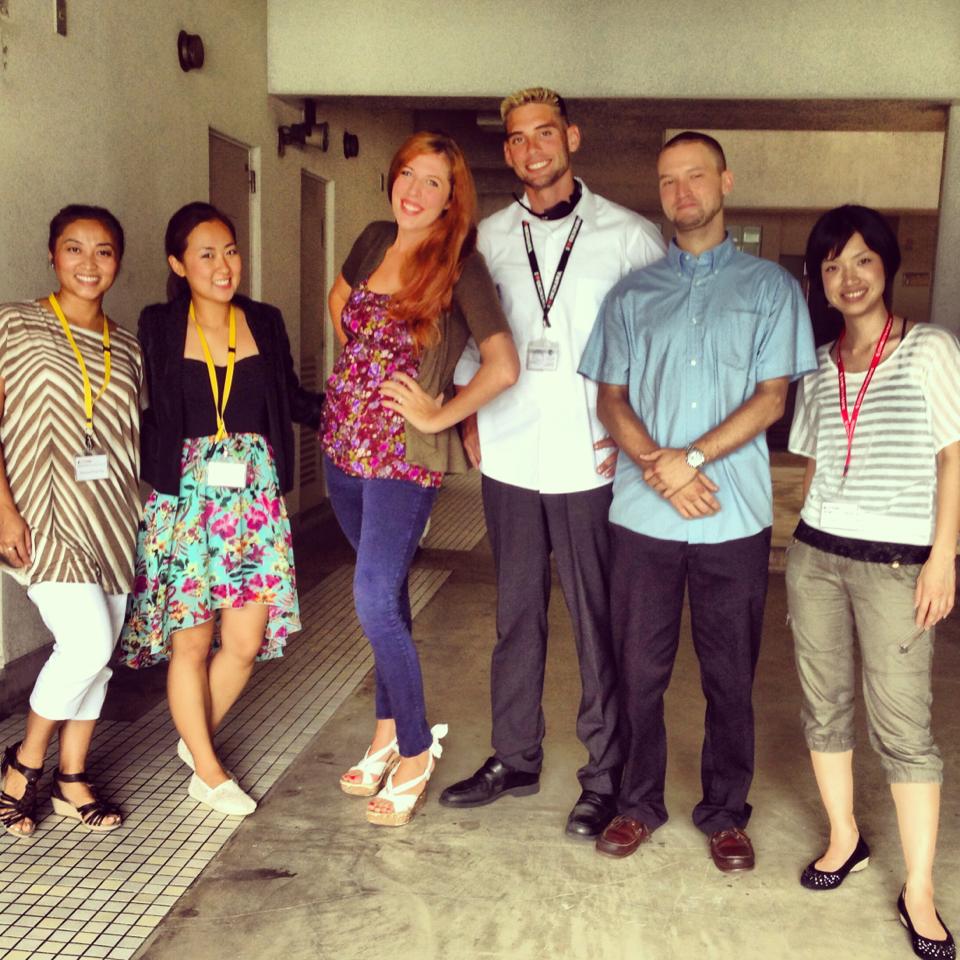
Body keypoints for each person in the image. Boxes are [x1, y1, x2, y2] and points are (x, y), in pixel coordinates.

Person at [579, 131, 817, 867]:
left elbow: (773, 399)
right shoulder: (631, 295)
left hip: (733, 514)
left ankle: (725, 812)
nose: (682, 192)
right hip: (643, 516)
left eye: (695, 176)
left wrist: (688, 459)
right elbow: (610, 398)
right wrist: (656, 466)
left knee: (729, 676)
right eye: (668, 181)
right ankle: (636, 803)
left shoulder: (771, 289)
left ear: (725, 182)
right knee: (638, 671)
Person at [439, 87, 666, 839]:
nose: (532, 148)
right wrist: (467, 412)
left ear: (571, 137)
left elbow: (657, 350)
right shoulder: (486, 238)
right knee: (516, 618)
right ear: (506, 152)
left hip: (592, 460)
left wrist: (639, 438)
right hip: (510, 452)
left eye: (545, 133)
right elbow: (472, 338)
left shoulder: (629, 236)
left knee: (596, 622)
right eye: (517, 138)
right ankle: (516, 756)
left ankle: (602, 778)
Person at [324, 131, 519, 827]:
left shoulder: (460, 268)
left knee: (373, 596)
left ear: (452, 198)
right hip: (342, 448)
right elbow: (339, 303)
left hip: (405, 460)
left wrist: (440, 412)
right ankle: (382, 734)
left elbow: (503, 366)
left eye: (434, 181)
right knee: (390, 589)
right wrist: (360, 373)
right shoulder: (374, 237)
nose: (415, 189)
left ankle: (413, 749)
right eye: (409, 172)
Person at [786, 205, 959, 960]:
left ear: (886, 265)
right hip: (817, 556)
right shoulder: (820, 366)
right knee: (823, 704)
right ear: (819, 282)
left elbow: (955, 457)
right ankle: (846, 838)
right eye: (831, 265)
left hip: (898, 564)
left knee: (903, 726)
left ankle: (917, 886)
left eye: (861, 260)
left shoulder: (928, 350)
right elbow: (812, 466)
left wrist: (943, 556)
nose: (847, 277)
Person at [121, 202, 321, 817]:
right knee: (192, 641)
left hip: (253, 498)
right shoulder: (158, 323)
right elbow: (141, 406)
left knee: (245, 638)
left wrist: (358, 412)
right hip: (186, 499)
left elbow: (288, 396)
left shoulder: (263, 318)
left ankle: (194, 733)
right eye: (206, 254)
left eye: (230, 251)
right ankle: (207, 770)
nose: (223, 265)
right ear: (178, 263)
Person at [0, 205, 141, 836]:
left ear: (118, 261)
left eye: (104, 250)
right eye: (74, 249)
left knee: (99, 654)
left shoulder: (128, 344)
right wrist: (3, 509)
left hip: (110, 515)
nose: (89, 263)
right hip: (40, 509)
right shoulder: (15, 325)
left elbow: (125, 439)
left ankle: (72, 778)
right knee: (84, 643)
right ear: (53, 256)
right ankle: (22, 766)